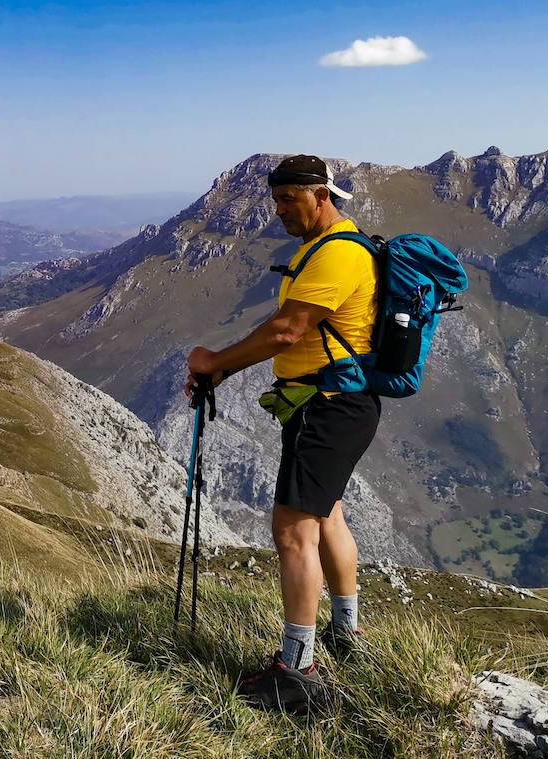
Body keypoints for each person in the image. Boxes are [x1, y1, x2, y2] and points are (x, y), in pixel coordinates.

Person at [183, 154, 378, 713]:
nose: (279, 211)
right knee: (327, 515)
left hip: (328, 407)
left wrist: (216, 360)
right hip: (333, 404)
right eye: (275, 200)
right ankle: (346, 633)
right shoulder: (322, 247)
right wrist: (220, 369)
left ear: (322, 194)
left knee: (292, 531)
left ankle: (296, 669)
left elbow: (288, 331)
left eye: (289, 200)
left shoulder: (338, 253)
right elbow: (288, 329)